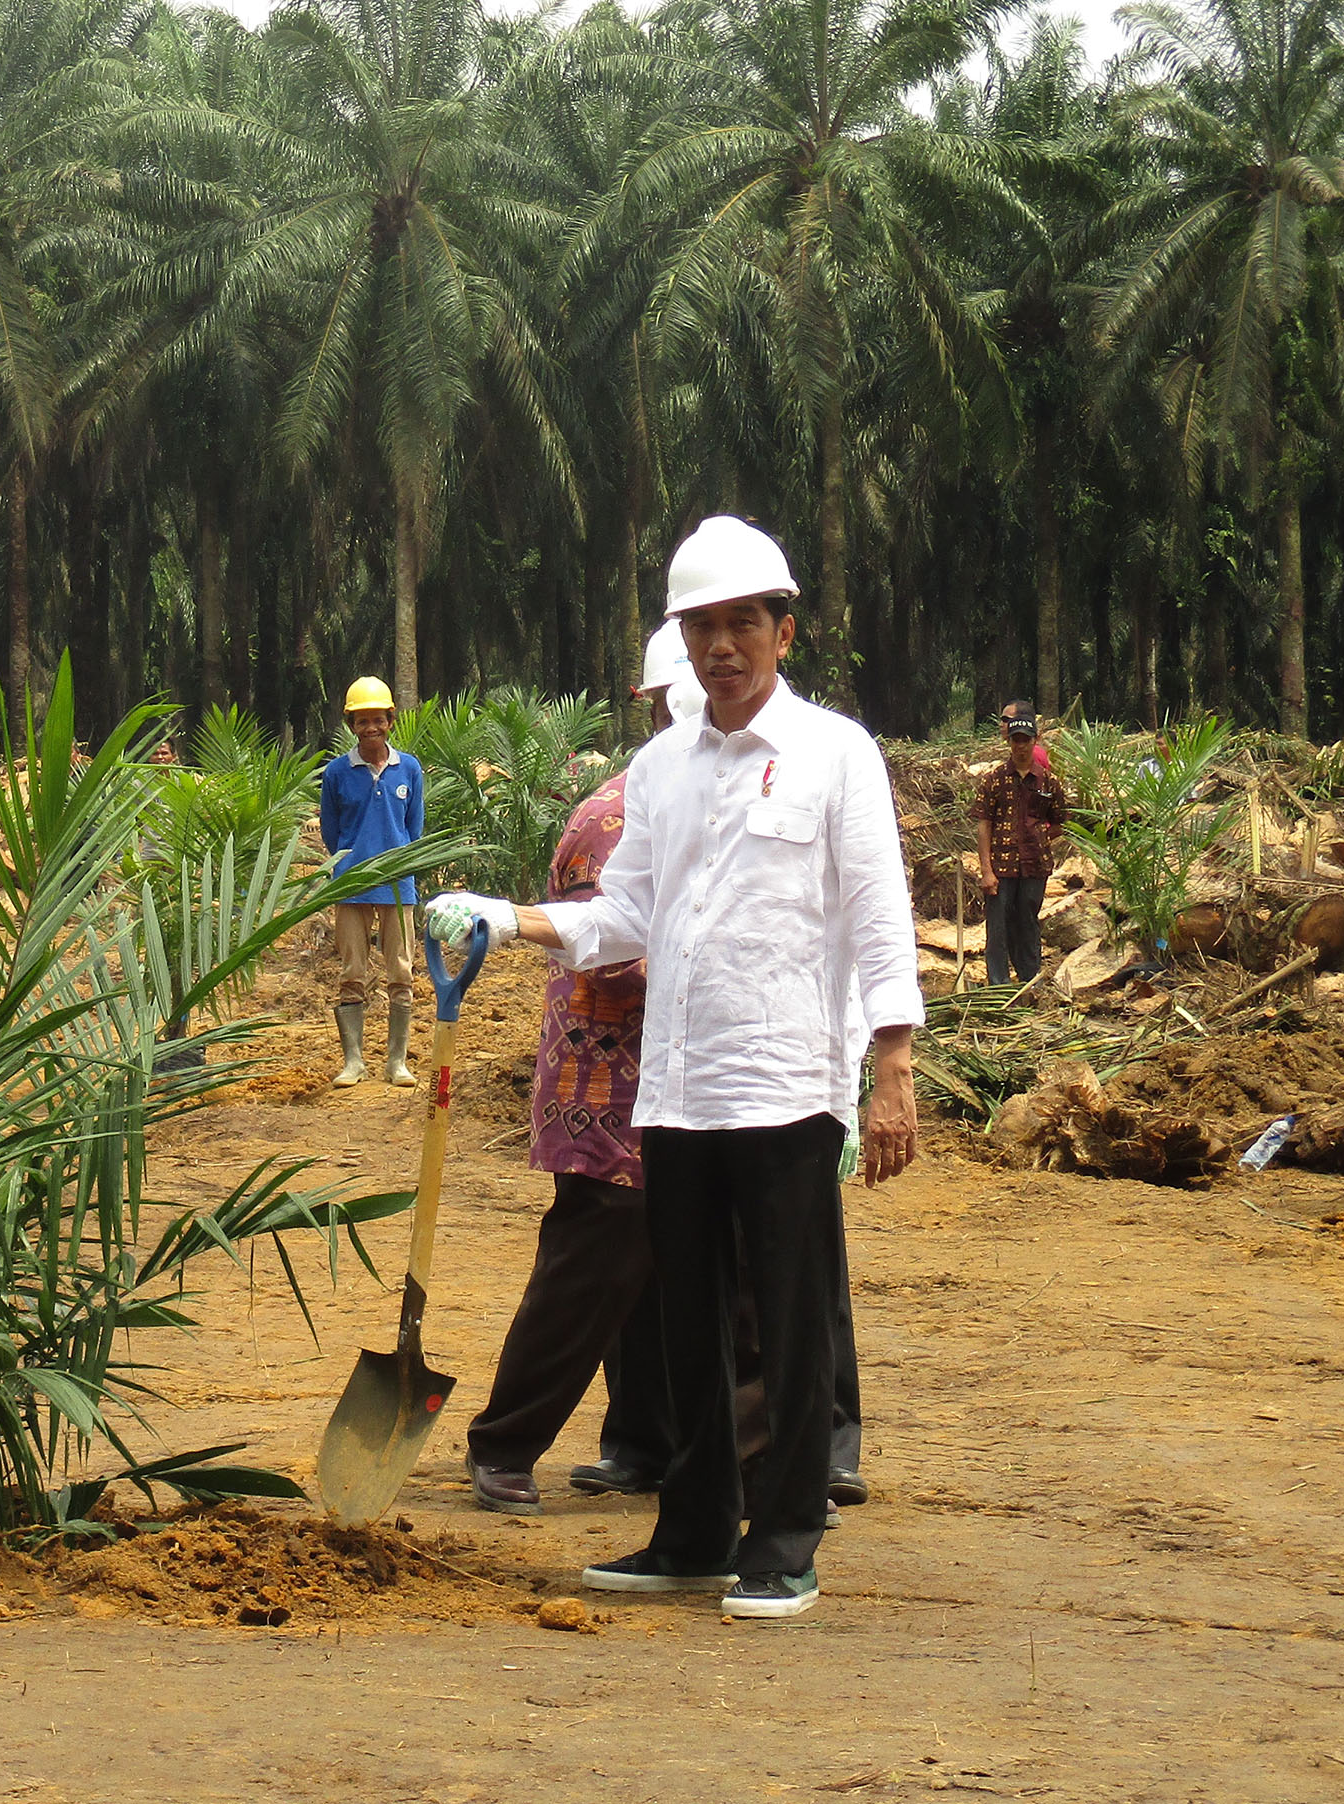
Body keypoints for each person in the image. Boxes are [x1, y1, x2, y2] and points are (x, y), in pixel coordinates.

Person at [430, 516, 922, 1621]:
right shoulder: (659, 769)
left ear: (781, 631)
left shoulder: (836, 752)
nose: (719, 646)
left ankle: (784, 1534)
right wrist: (507, 920)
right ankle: (694, 1529)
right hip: (679, 1092)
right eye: (699, 627)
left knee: (786, 1321)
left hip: (788, 1080)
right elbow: (626, 915)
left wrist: (890, 1066)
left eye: (741, 622)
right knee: (686, 1323)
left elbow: (878, 914)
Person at [461, 623, 700, 1516]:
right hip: (609, 1089)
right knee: (592, 1269)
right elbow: (606, 948)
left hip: (674, 1083)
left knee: (658, 1274)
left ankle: (646, 1445)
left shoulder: (698, 795)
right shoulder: (616, 815)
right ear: (655, 709)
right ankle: (504, 1443)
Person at [320, 677, 425, 1088]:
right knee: (352, 971)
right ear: (351, 724)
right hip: (350, 885)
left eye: (377, 720)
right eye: (362, 721)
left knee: (401, 969)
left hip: (399, 885)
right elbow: (332, 833)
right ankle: (354, 1062)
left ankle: (396, 1063)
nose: (371, 728)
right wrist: (353, 863)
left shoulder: (409, 768)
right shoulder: (336, 773)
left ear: (390, 721)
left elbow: (412, 827)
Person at [973, 703, 1068, 985]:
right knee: (998, 927)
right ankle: (999, 985)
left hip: (1034, 866)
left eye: (1026, 740)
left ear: (1035, 741)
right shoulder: (994, 781)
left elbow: (1059, 823)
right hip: (1001, 867)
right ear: (1009, 742)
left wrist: (1038, 840)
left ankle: (1029, 979)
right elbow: (983, 825)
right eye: (1016, 740)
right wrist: (986, 870)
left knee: (1027, 922)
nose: (1021, 746)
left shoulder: (1049, 782)